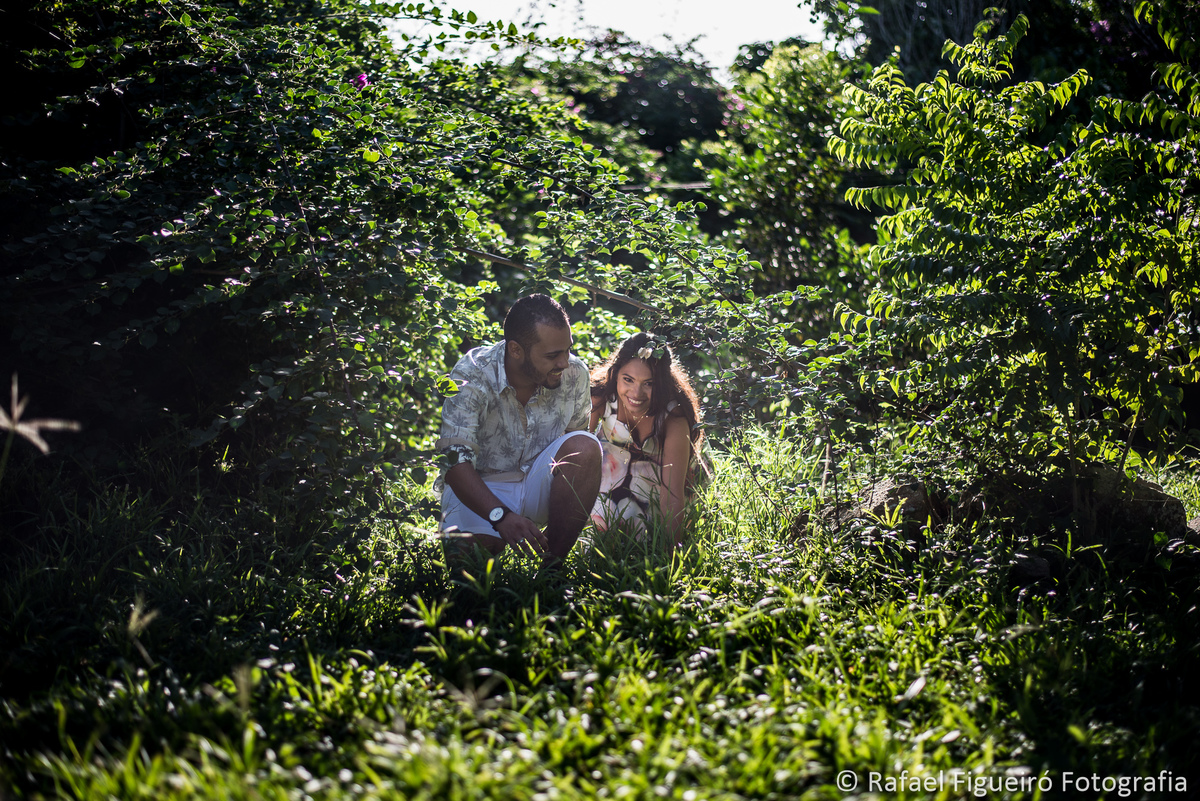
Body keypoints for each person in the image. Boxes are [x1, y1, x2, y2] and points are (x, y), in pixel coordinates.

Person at [437, 294, 602, 563]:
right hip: (483, 487)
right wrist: (499, 516)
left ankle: (553, 568)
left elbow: (575, 450)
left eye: (567, 350)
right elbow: (455, 463)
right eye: (552, 355)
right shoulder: (472, 374)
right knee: (470, 572)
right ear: (515, 350)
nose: (564, 362)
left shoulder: (574, 373)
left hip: (538, 482)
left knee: (585, 445)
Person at [589, 332, 706, 549]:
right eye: (628, 380)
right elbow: (577, 457)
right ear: (615, 373)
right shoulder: (600, 395)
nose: (636, 393)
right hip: (610, 470)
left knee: (647, 530)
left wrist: (668, 558)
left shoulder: (674, 417)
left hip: (661, 481)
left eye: (648, 383)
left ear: (662, 383)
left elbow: (672, 495)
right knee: (601, 508)